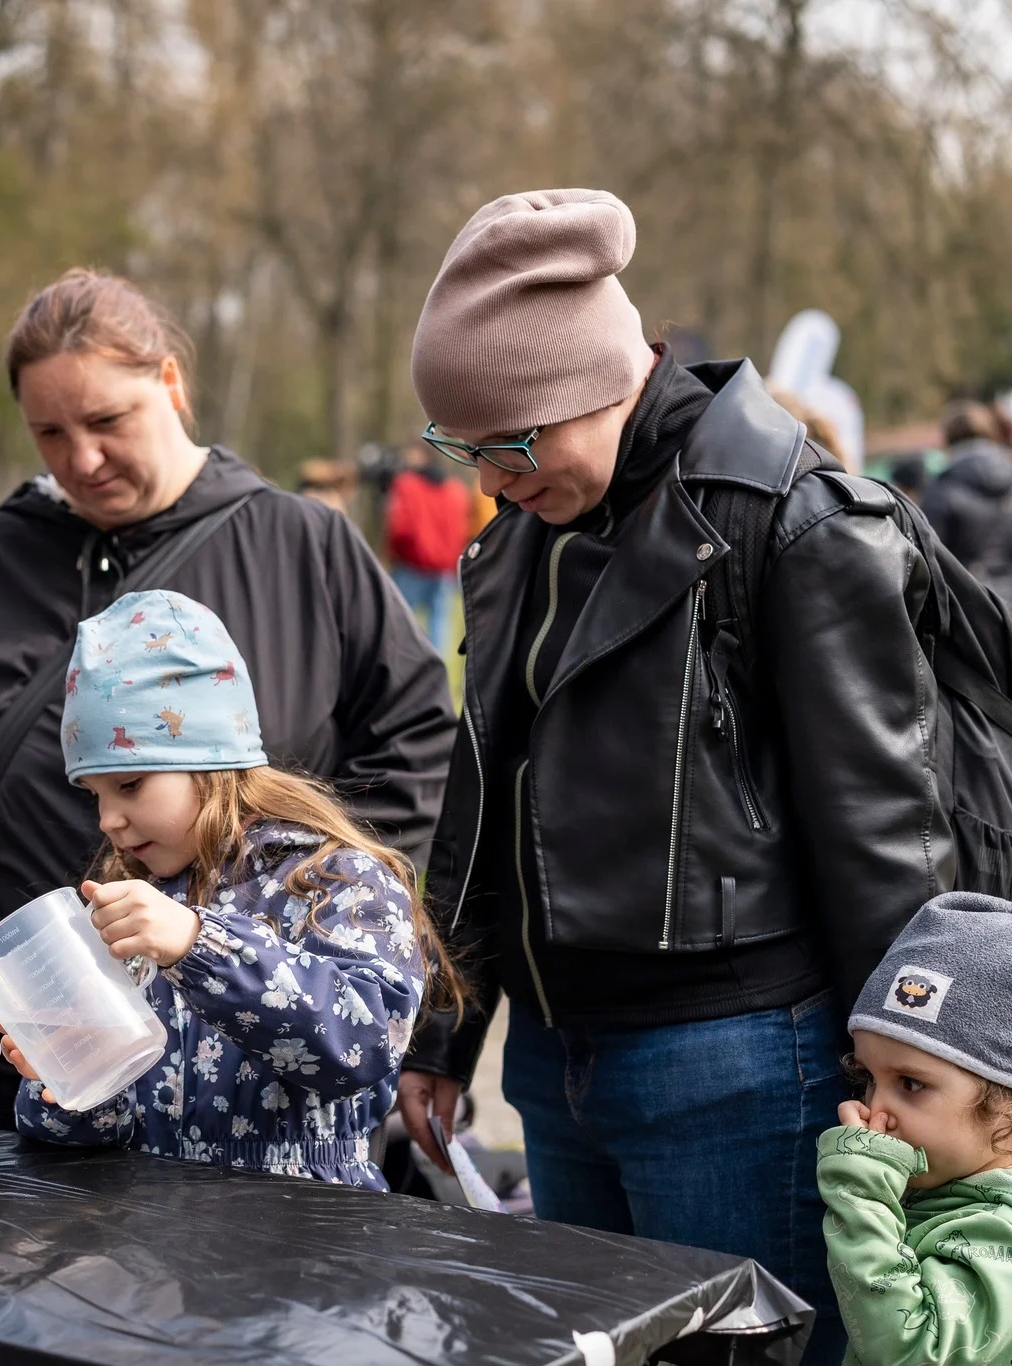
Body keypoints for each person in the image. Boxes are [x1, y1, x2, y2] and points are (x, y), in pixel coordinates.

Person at [394, 189, 947, 1365]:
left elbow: (884, 838)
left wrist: (910, 1085)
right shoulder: (522, 537)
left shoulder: (791, 518)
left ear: (587, 382)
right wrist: (445, 1031)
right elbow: (483, 794)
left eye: (508, 443)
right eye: (466, 449)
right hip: (549, 1064)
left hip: (740, 1072)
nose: (490, 481)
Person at [0, 269, 455, 986]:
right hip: (14, 1040)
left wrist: (311, 932)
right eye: (50, 433)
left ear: (171, 382)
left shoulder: (302, 547)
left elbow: (417, 745)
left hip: (246, 1041)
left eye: (108, 421)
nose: (82, 459)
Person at [0, 591, 449, 1189]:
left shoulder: (336, 881)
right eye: (95, 795)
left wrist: (199, 946)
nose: (108, 819)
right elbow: (105, 1131)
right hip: (157, 1240)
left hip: (308, 1236)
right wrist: (73, 1079)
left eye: (129, 785)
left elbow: (363, 1045)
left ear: (212, 762)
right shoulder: (126, 899)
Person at [820, 892, 1012, 1366]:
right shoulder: (953, 1186)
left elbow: (915, 1352)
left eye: (911, 1083)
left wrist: (859, 1196)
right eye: (867, 1079)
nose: (875, 1109)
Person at [924, 399, 1012, 609]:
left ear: (949, 439)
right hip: (1010, 604)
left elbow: (931, 558)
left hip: (963, 608)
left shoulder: (943, 485)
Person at [383, 441, 471, 653]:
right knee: (439, 629)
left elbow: (399, 528)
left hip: (411, 565)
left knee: (398, 627)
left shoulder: (406, 485)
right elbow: (463, 529)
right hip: (444, 569)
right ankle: (436, 679)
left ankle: (399, 675)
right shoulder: (457, 489)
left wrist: (392, 555)